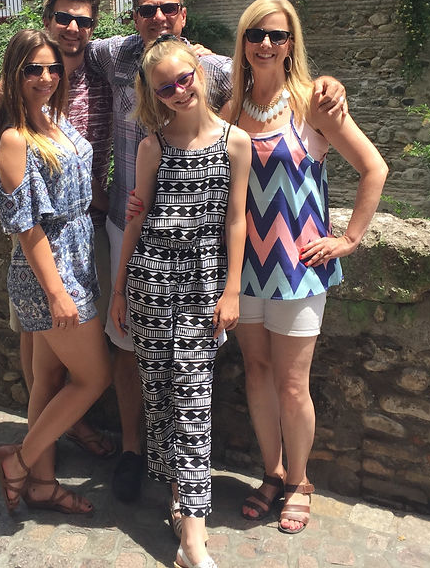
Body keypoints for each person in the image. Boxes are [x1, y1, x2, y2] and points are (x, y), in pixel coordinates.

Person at [92, 0, 348, 503]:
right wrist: (19, 78)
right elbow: (64, 52)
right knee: (140, 355)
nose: (158, 17)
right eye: (147, 10)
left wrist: (329, 82)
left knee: (226, 378)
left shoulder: (217, 76)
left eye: (168, 8)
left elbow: (265, 79)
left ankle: (282, 482)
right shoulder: (115, 56)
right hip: (140, 231)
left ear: (183, 15)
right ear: (133, 16)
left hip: (241, 260)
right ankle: (140, 454)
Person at [228, 0, 387, 534]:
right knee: (256, 372)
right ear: (243, 42)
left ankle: (299, 481)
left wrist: (349, 239)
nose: (265, 44)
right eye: (255, 34)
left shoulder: (312, 104)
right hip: (243, 266)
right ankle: (271, 473)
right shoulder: (231, 108)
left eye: (276, 35)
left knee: (293, 383)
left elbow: (374, 168)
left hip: (298, 267)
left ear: (290, 42)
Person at [110, 36, 251, 568]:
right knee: (161, 398)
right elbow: (137, 218)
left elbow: (236, 220)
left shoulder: (235, 142)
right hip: (150, 281)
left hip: (202, 285)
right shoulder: (153, 146)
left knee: (193, 403)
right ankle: (178, 502)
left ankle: (193, 538)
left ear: (199, 71)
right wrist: (119, 290)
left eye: (184, 78)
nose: (178, 91)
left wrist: (231, 289)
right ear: (154, 94)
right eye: (165, 87)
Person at [0, 29, 112, 515]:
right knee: (93, 377)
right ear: (15, 74)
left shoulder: (54, 118)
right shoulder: (15, 140)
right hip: (50, 273)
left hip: (77, 259)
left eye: (52, 68)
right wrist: (57, 293)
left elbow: (83, 180)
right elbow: (27, 227)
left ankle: (41, 484)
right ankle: (19, 461)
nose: (46, 77)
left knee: (47, 378)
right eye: (33, 70)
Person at [4, 0, 117, 460]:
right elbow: (26, 222)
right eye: (64, 18)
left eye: (84, 21)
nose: (73, 28)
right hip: (47, 250)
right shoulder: (21, 120)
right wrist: (54, 290)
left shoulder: (90, 80)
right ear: (47, 20)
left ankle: (40, 474)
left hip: (83, 240)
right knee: (61, 365)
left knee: (52, 366)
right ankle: (28, 459)